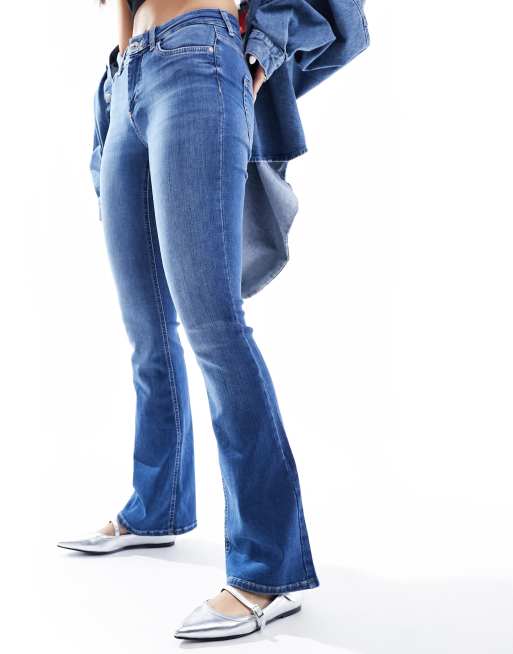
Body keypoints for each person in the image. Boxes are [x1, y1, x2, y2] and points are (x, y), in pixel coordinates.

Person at [57, 0, 324, 640]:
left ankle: (269, 569)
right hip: (127, 78)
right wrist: (123, 60)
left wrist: (260, 55)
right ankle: (157, 505)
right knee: (147, 328)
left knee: (214, 326)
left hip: (199, 54)